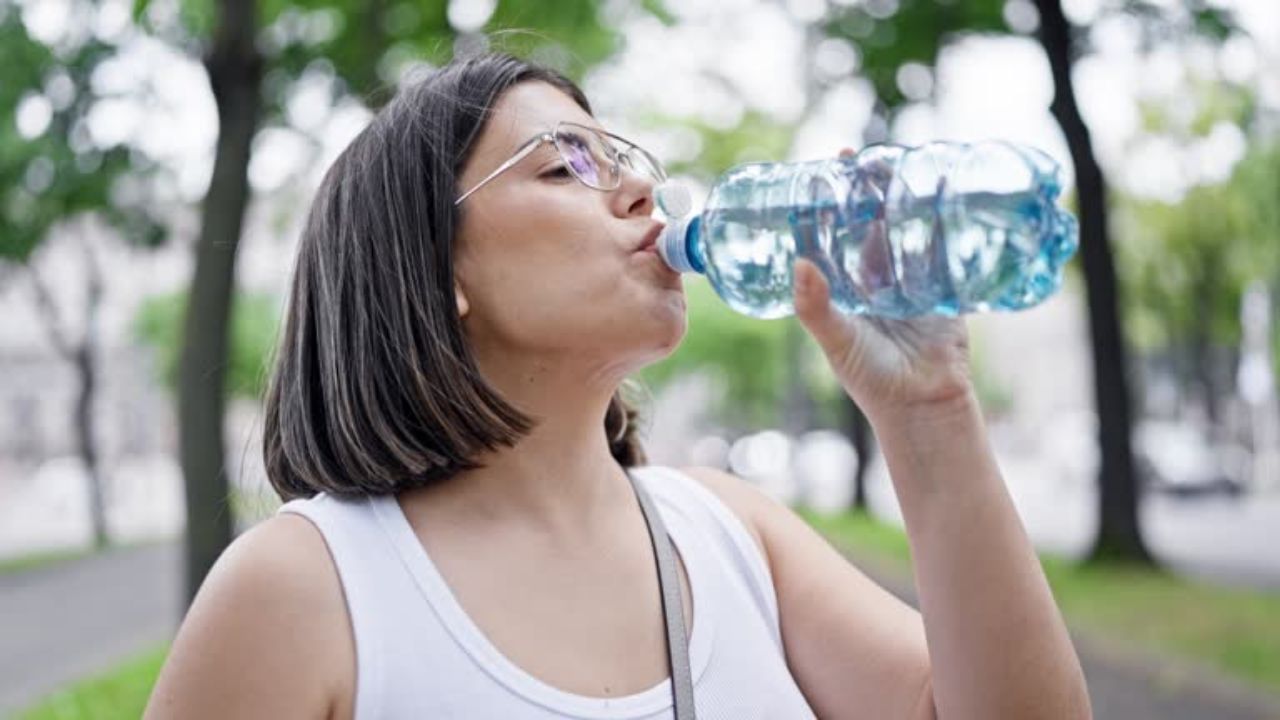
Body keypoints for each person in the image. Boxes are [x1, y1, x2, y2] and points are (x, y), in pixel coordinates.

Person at [145, 52, 1091, 719]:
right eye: (566, 165)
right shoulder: (304, 591)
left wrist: (931, 415)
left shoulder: (728, 533)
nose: (645, 193)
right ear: (436, 271)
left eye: (629, 163)